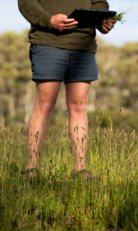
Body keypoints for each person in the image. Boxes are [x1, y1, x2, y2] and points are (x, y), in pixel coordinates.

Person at [18, 0, 116, 178]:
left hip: (83, 47)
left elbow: (100, 2)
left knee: (79, 107)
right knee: (45, 104)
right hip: (48, 43)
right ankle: (31, 167)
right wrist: (49, 20)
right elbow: (25, 2)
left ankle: (80, 169)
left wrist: (101, 19)